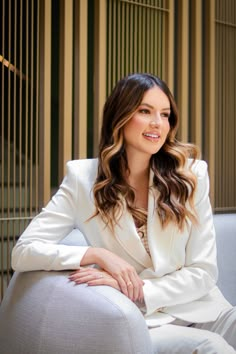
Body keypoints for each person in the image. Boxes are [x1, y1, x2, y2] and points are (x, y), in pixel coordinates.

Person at [12, 73, 236, 353]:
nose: (158, 123)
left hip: (203, 309)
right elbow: (23, 252)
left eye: (165, 114)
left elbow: (203, 272)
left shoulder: (191, 176)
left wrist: (140, 288)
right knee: (212, 347)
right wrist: (96, 255)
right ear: (120, 117)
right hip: (141, 322)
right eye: (145, 111)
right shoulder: (83, 179)